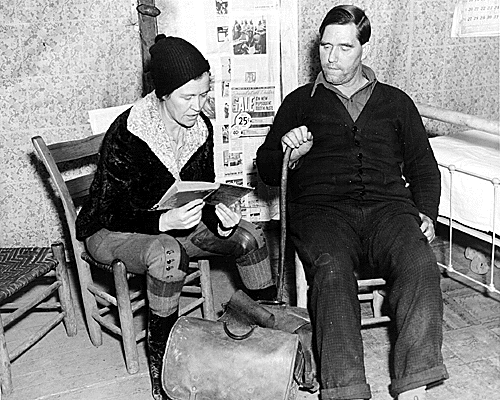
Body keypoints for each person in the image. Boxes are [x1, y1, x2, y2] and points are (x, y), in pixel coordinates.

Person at [256, 5, 448, 400]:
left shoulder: (396, 102)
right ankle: (345, 389)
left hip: (388, 209)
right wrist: (289, 150)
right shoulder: (299, 103)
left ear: (364, 49)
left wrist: (425, 212)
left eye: (344, 47)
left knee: (419, 260)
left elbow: (425, 170)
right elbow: (265, 168)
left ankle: (415, 383)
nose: (331, 57)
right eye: (326, 46)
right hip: (323, 212)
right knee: (331, 271)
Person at [76, 34, 276, 400]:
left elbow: (202, 192)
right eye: (188, 97)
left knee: (251, 237)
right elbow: (108, 209)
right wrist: (161, 223)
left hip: (175, 226)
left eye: (204, 94)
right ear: (162, 94)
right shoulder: (129, 131)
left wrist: (221, 219)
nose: (198, 106)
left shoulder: (201, 128)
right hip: (113, 230)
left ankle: (267, 337)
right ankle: (165, 366)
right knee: (168, 253)